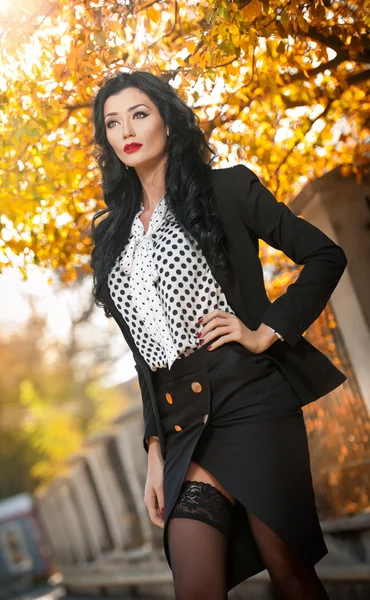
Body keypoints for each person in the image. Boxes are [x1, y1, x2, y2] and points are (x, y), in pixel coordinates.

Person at [90, 70, 347, 600]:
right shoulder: (111, 235)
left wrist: (265, 332)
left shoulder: (226, 188)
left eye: (139, 114)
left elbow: (326, 255)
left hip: (250, 398)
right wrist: (153, 450)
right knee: (196, 586)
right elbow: (143, 356)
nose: (127, 131)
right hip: (182, 422)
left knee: (290, 572)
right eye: (113, 123)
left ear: (167, 118)